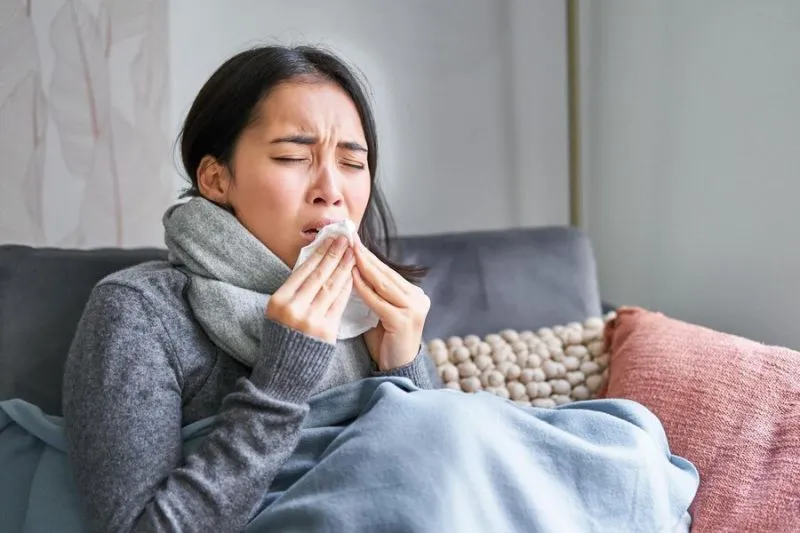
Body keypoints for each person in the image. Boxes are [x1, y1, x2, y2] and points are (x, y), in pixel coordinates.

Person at [63, 45, 440, 533]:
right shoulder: (139, 313)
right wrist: (280, 382)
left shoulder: (378, 311)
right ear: (217, 179)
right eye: (292, 156)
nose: (332, 189)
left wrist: (407, 370)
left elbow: (438, 485)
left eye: (352, 163)